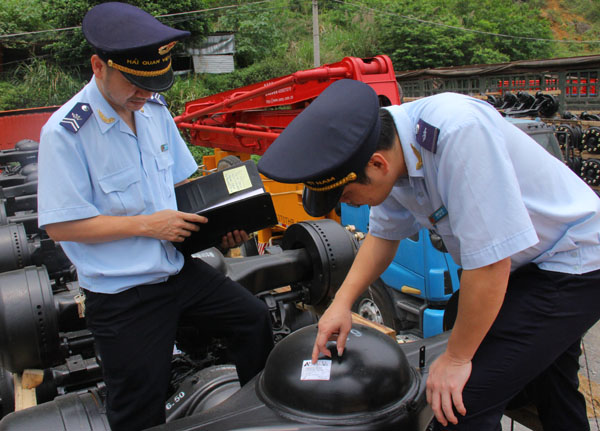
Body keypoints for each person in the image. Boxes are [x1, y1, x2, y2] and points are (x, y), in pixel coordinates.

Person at [257, 78, 600, 430]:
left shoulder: (457, 134)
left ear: (377, 165)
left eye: (346, 196)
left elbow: (490, 263)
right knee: (552, 385)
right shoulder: (386, 145)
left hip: (573, 259)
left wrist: (456, 358)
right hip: (528, 262)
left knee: (459, 404)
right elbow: (383, 237)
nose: (348, 205)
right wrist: (341, 304)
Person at [37, 3, 273, 430]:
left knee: (253, 320)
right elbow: (61, 225)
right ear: (98, 65)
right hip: (123, 293)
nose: (144, 94)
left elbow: (184, 191)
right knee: (139, 406)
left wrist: (218, 230)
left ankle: (255, 416)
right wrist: (148, 225)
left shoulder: (154, 111)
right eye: (134, 84)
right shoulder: (66, 133)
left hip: (175, 270)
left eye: (152, 84)